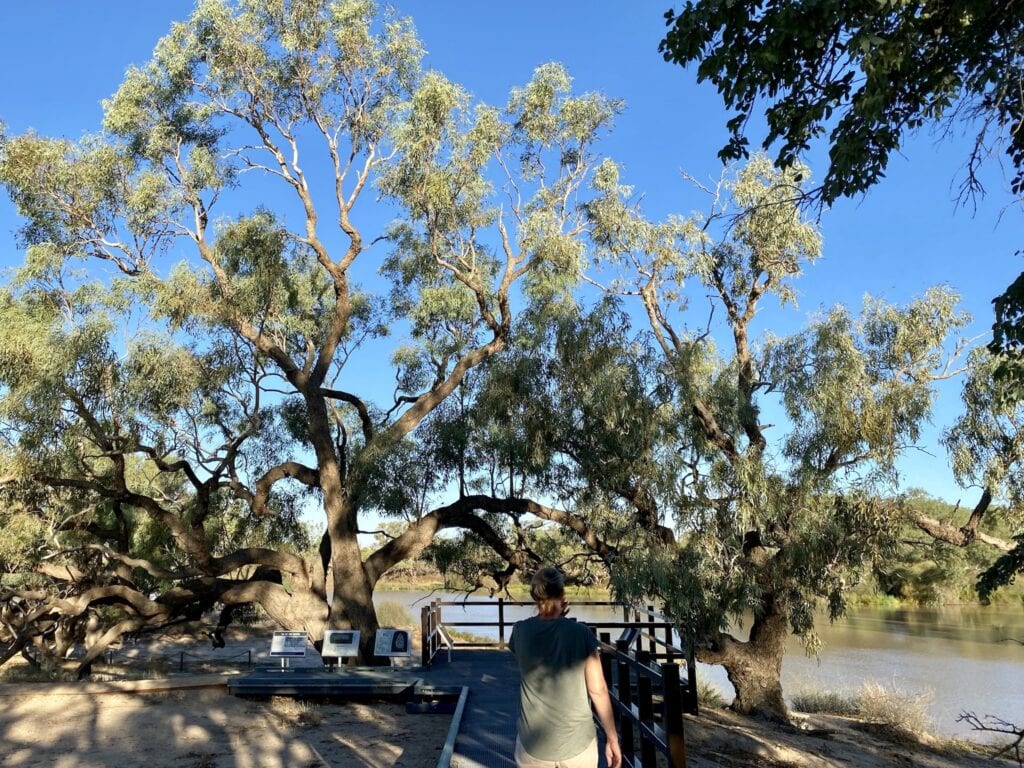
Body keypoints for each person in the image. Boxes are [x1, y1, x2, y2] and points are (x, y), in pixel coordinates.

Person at [509, 567, 622, 768]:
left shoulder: (519, 632)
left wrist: (555, 619)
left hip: (532, 746)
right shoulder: (581, 633)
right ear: (562, 594)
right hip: (578, 745)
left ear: (534, 595)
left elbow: (530, 662)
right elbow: (598, 690)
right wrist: (612, 738)